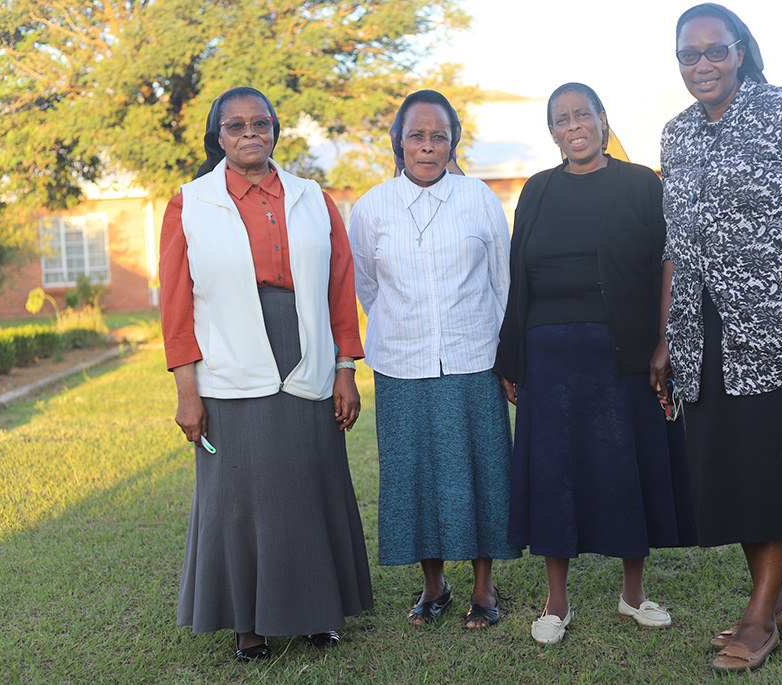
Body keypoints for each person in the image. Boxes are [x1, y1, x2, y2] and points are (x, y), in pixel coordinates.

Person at [659, 3, 782, 673]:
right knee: (735, 472)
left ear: (740, 50)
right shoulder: (676, 135)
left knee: (775, 467)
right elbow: (674, 244)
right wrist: (667, 335)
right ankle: (773, 600)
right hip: (705, 328)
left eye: (714, 50)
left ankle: (759, 615)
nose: (702, 65)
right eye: (688, 55)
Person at [159, 86, 373, 661]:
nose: (250, 134)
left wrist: (346, 369)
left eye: (261, 123)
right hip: (228, 362)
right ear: (218, 137)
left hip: (307, 352)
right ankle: (247, 624)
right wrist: (187, 391)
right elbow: (177, 307)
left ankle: (317, 613)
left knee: (311, 482)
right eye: (236, 126)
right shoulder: (190, 203)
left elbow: (340, 287)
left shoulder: (311, 197)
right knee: (237, 496)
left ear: (276, 129)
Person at [494, 82, 696, 646]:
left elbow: (668, 266)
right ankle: (557, 602)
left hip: (623, 352)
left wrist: (665, 341)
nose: (574, 125)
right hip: (547, 357)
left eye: (583, 114)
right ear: (552, 131)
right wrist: (511, 354)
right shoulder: (535, 190)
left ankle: (633, 594)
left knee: (624, 466)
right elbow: (518, 276)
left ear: (603, 121)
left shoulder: (639, 184)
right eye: (562, 118)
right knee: (553, 473)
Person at [348, 90, 521, 629]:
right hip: (401, 366)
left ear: (454, 141)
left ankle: (484, 586)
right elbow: (366, 287)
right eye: (417, 135)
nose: (428, 146)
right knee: (415, 475)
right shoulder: (372, 206)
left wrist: (508, 357)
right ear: (399, 141)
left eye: (439, 135)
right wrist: (411, 329)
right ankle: (434, 585)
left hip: (474, 360)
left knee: (481, 471)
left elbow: (504, 282)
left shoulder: (478, 198)